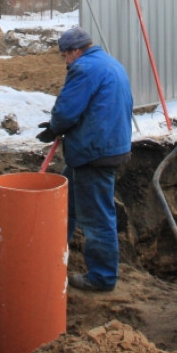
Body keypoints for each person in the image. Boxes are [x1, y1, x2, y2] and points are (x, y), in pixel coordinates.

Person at [38, 26, 133, 292]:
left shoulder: (83, 69)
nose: (65, 61)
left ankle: (102, 278)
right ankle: (52, 258)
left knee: (97, 218)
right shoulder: (110, 64)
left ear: (76, 51)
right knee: (66, 203)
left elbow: (67, 110)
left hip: (95, 152)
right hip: (107, 145)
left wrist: (56, 126)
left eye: (65, 55)